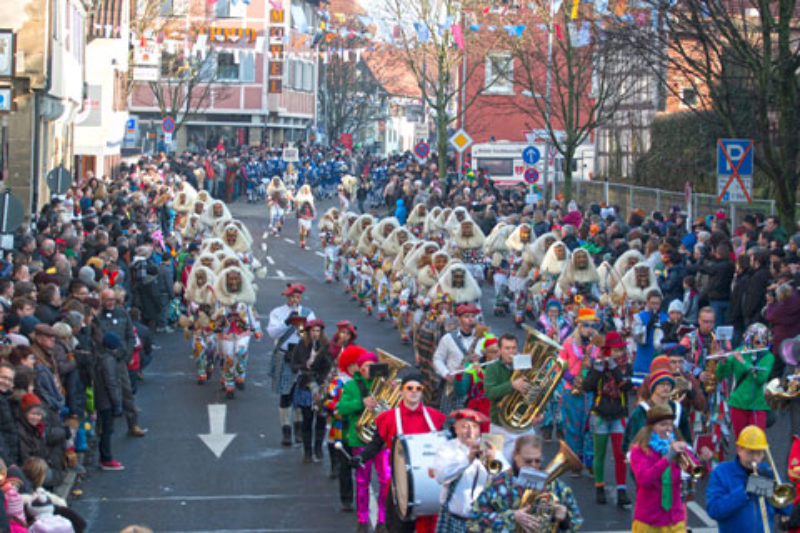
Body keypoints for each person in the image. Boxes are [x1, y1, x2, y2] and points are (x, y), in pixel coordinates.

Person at [353, 370, 447, 533]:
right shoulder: (387, 418)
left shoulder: (435, 417)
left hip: (429, 484)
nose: (414, 392)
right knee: (398, 528)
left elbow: (447, 445)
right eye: (409, 388)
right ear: (402, 390)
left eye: (418, 389)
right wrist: (361, 457)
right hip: (398, 483)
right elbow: (376, 444)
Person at [468, 434, 581, 532]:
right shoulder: (498, 484)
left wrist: (565, 519)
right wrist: (512, 516)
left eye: (537, 461)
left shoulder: (555, 486)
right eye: (528, 461)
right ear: (515, 456)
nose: (533, 465)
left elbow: (577, 520)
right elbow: (474, 521)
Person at [336, 351, 389, 533]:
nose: (368, 369)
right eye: (364, 366)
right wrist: (361, 402)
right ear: (360, 368)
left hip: (381, 440)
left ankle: (382, 519)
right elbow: (341, 408)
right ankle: (363, 519)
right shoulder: (351, 385)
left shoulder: (384, 385)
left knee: (386, 479)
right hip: (360, 439)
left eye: (371, 366)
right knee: (362, 482)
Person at [706, 425, 794, 533]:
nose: (755, 458)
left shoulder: (766, 471)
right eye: (751, 452)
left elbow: (787, 510)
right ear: (739, 449)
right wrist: (745, 490)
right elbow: (714, 510)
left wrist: (774, 489)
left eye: (759, 453)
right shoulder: (721, 472)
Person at [582, 330, 632, 507]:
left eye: (621, 350)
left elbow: (627, 386)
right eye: (616, 350)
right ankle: (599, 488)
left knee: (620, 454)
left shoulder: (626, 365)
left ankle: (621, 491)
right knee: (600, 454)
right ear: (608, 350)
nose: (619, 353)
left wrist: (614, 368)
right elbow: (587, 386)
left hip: (618, 415)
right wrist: (598, 370)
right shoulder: (597, 364)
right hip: (600, 415)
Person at [432, 409, 502, 533]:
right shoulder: (447, 448)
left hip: (481, 522)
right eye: (465, 426)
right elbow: (440, 476)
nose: (470, 432)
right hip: (453, 519)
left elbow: (503, 481)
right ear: (456, 428)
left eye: (475, 426)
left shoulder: (490, 447)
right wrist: (468, 459)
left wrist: (492, 460)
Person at [267, 283, 315, 445]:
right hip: (285, 355)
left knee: (301, 394)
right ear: (287, 297)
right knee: (285, 393)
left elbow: (312, 336)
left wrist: (301, 326)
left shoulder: (308, 313)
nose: (295, 300)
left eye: (297, 297)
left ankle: (298, 428)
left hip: (302, 357)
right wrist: (287, 322)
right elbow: (272, 332)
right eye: (292, 297)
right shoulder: (277, 313)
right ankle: (285, 430)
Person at [628, 404, 689, 532]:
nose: (668, 429)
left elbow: (694, 472)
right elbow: (644, 480)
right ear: (651, 427)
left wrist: (703, 461)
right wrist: (668, 458)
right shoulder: (639, 450)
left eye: (670, 424)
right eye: (663, 424)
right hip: (649, 520)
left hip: (675, 518)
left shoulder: (675, 446)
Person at [95, 289, 147, 437]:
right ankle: (103, 426)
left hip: (122, 359)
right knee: (104, 393)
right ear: (102, 300)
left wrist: (128, 354)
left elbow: (130, 335)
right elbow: (98, 338)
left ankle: (133, 424)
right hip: (105, 359)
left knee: (127, 392)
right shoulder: (98, 317)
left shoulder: (123, 313)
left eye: (113, 299)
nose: (110, 302)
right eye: (107, 299)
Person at [559, 307, 601, 468]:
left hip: (590, 391)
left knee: (590, 427)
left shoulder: (596, 344)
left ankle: (590, 461)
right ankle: (574, 462)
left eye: (592, 325)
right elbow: (559, 365)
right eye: (586, 325)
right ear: (579, 326)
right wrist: (568, 376)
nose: (589, 329)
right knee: (573, 427)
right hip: (572, 390)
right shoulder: (569, 343)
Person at [715, 323, 774, 438]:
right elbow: (721, 374)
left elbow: (761, 379)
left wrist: (743, 362)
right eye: (757, 342)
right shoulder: (739, 351)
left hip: (758, 405)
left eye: (764, 342)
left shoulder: (768, 357)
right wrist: (722, 362)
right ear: (750, 340)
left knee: (756, 442)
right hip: (738, 403)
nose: (761, 345)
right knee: (741, 441)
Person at [289, 318, 332, 464]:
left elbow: (331, 366)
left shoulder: (326, 346)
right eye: (313, 331)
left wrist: (319, 362)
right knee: (307, 419)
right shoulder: (301, 345)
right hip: (306, 386)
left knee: (321, 418)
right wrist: (305, 365)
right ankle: (307, 451)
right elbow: (293, 365)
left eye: (318, 331)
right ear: (308, 332)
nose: (315, 334)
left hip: (321, 386)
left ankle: (318, 448)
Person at [432, 304, 482, 414]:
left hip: (475, 388)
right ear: (459, 319)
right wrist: (446, 374)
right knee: (450, 421)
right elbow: (437, 359)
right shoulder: (448, 338)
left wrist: (481, 359)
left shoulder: (482, 338)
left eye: (473, 316)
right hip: (453, 385)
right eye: (466, 316)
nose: (470, 320)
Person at [94, 333, 124, 471]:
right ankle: (106, 458)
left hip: (101, 398)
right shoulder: (109, 361)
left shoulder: (101, 357)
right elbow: (111, 382)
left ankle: (105, 457)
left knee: (105, 429)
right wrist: (117, 403)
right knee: (107, 430)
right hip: (107, 401)